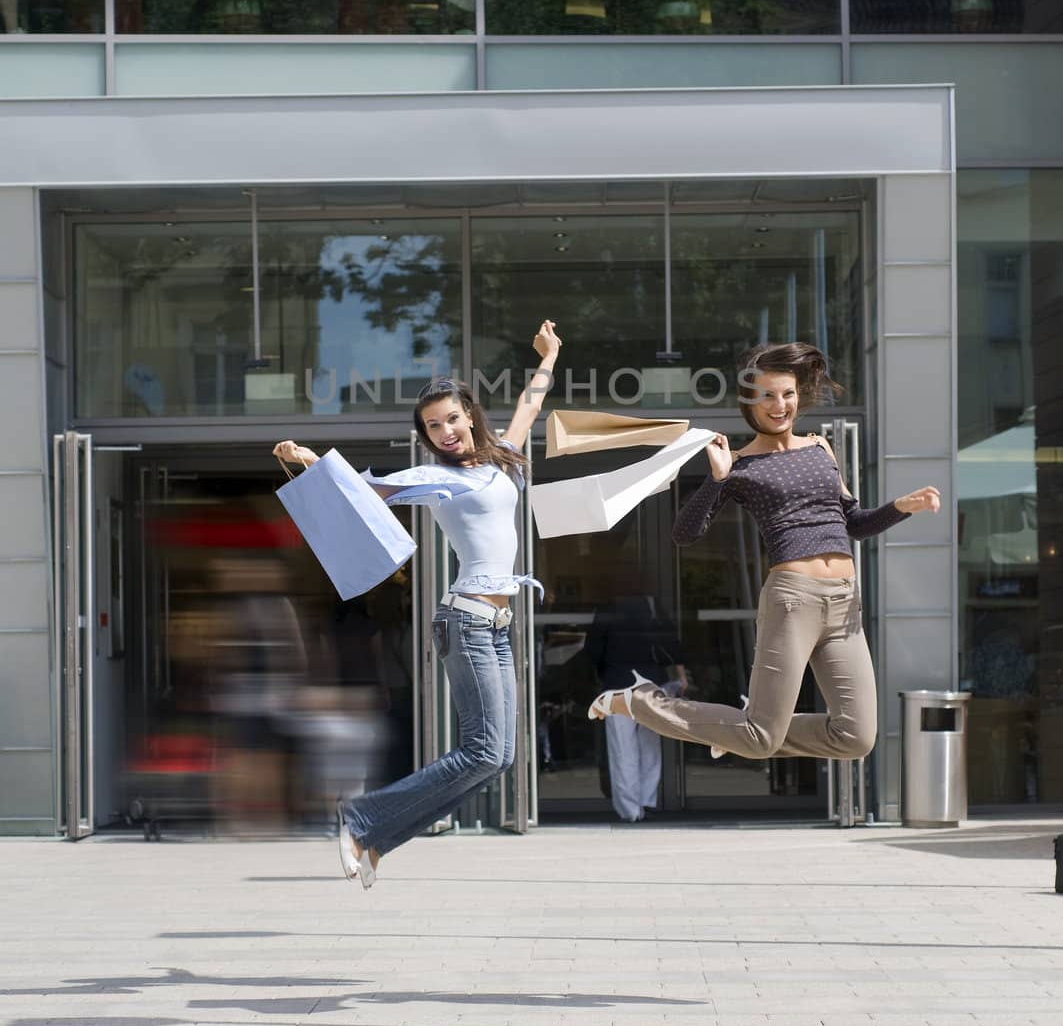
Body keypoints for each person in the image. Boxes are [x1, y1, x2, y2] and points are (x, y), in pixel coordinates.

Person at [273, 319, 561, 888]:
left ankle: (380, 834)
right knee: (482, 751)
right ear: (427, 436)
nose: (446, 431)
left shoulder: (500, 457)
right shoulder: (437, 477)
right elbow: (365, 489)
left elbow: (530, 406)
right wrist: (309, 461)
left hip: (497, 624)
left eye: (452, 419)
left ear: (470, 415)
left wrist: (549, 357)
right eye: (433, 426)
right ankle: (361, 817)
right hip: (467, 622)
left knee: (499, 758)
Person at [589, 341, 940, 767]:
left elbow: (855, 523)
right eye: (768, 396)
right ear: (749, 402)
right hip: (794, 601)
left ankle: (738, 732)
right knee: (760, 737)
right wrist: (716, 479)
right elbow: (684, 533)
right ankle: (641, 701)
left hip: (845, 602)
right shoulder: (738, 464)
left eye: (788, 394)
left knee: (855, 737)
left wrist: (902, 507)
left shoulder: (821, 449)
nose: (779, 405)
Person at [586, 589, 683, 822]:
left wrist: (599, 675)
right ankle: (647, 802)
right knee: (649, 744)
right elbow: (669, 640)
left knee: (622, 748)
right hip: (651, 683)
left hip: (616, 683)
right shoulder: (652, 603)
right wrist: (680, 673)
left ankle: (630, 810)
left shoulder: (608, 605)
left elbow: (594, 647)